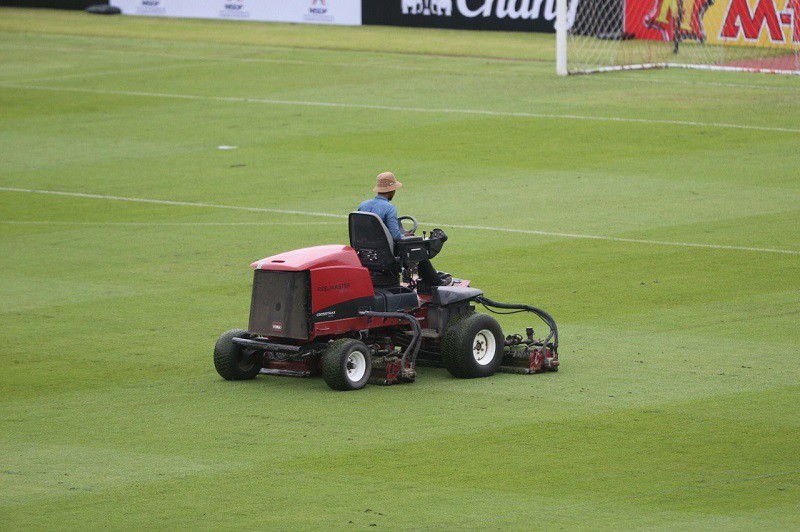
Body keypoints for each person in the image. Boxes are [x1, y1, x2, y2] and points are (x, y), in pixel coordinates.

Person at [358, 172, 450, 287]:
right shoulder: (389, 208)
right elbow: (396, 236)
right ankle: (434, 281)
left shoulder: (363, 205)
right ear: (392, 190)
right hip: (386, 253)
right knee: (417, 248)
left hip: (366, 253)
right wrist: (407, 237)